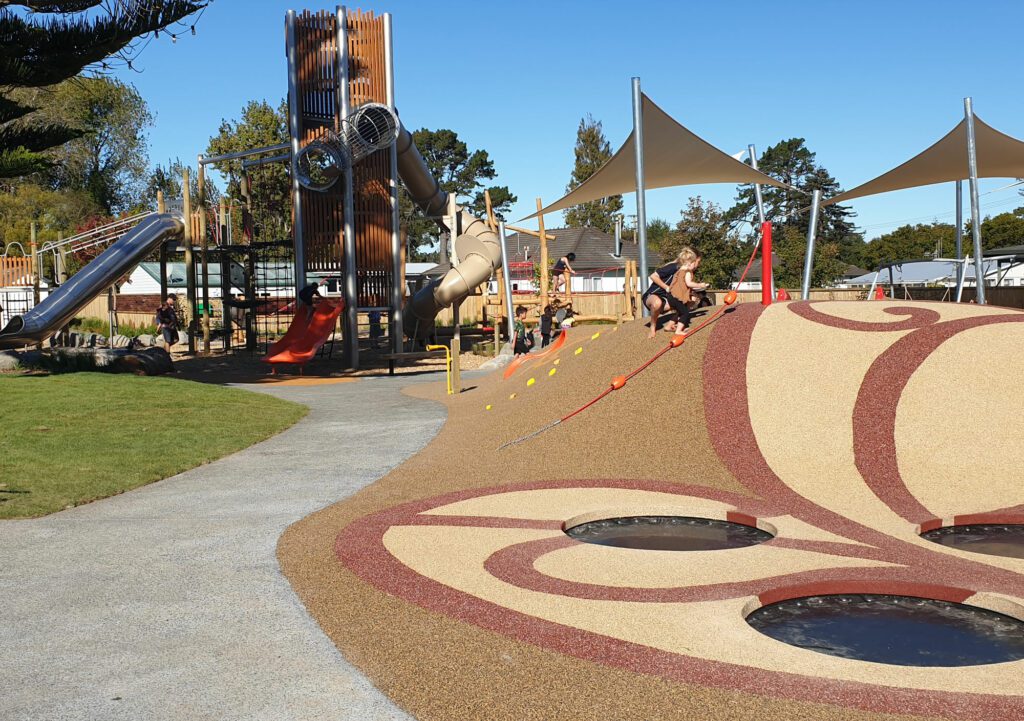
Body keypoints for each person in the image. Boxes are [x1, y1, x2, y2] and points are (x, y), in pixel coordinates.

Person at [642, 247, 708, 339]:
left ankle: (670, 325)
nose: (698, 265)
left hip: (669, 297)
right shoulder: (674, 267)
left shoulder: (688, 271)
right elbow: (653, 276)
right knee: (657, 303)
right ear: (692, 260)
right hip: (654, 295)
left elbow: (686, 286)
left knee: (691, 299)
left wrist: (698, 290)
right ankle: (653, 327)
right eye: (698, 262)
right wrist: (667, 288)